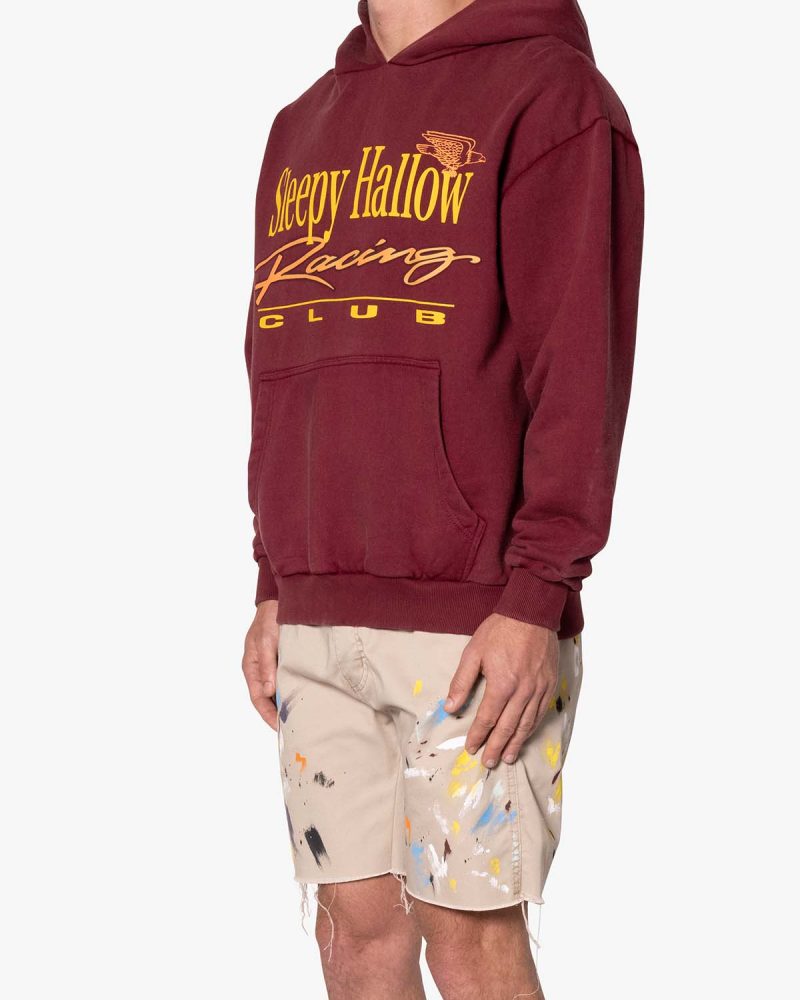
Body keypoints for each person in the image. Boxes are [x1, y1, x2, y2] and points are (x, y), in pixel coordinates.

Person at [241, 0, 643, 996]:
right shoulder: (302, 124)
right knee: (353, 929)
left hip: (479, 619)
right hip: (317, 612)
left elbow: (578, 370)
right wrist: (273, 580)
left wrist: (537, 592)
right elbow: (281, 357)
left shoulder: (549, 98)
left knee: (470, 934)